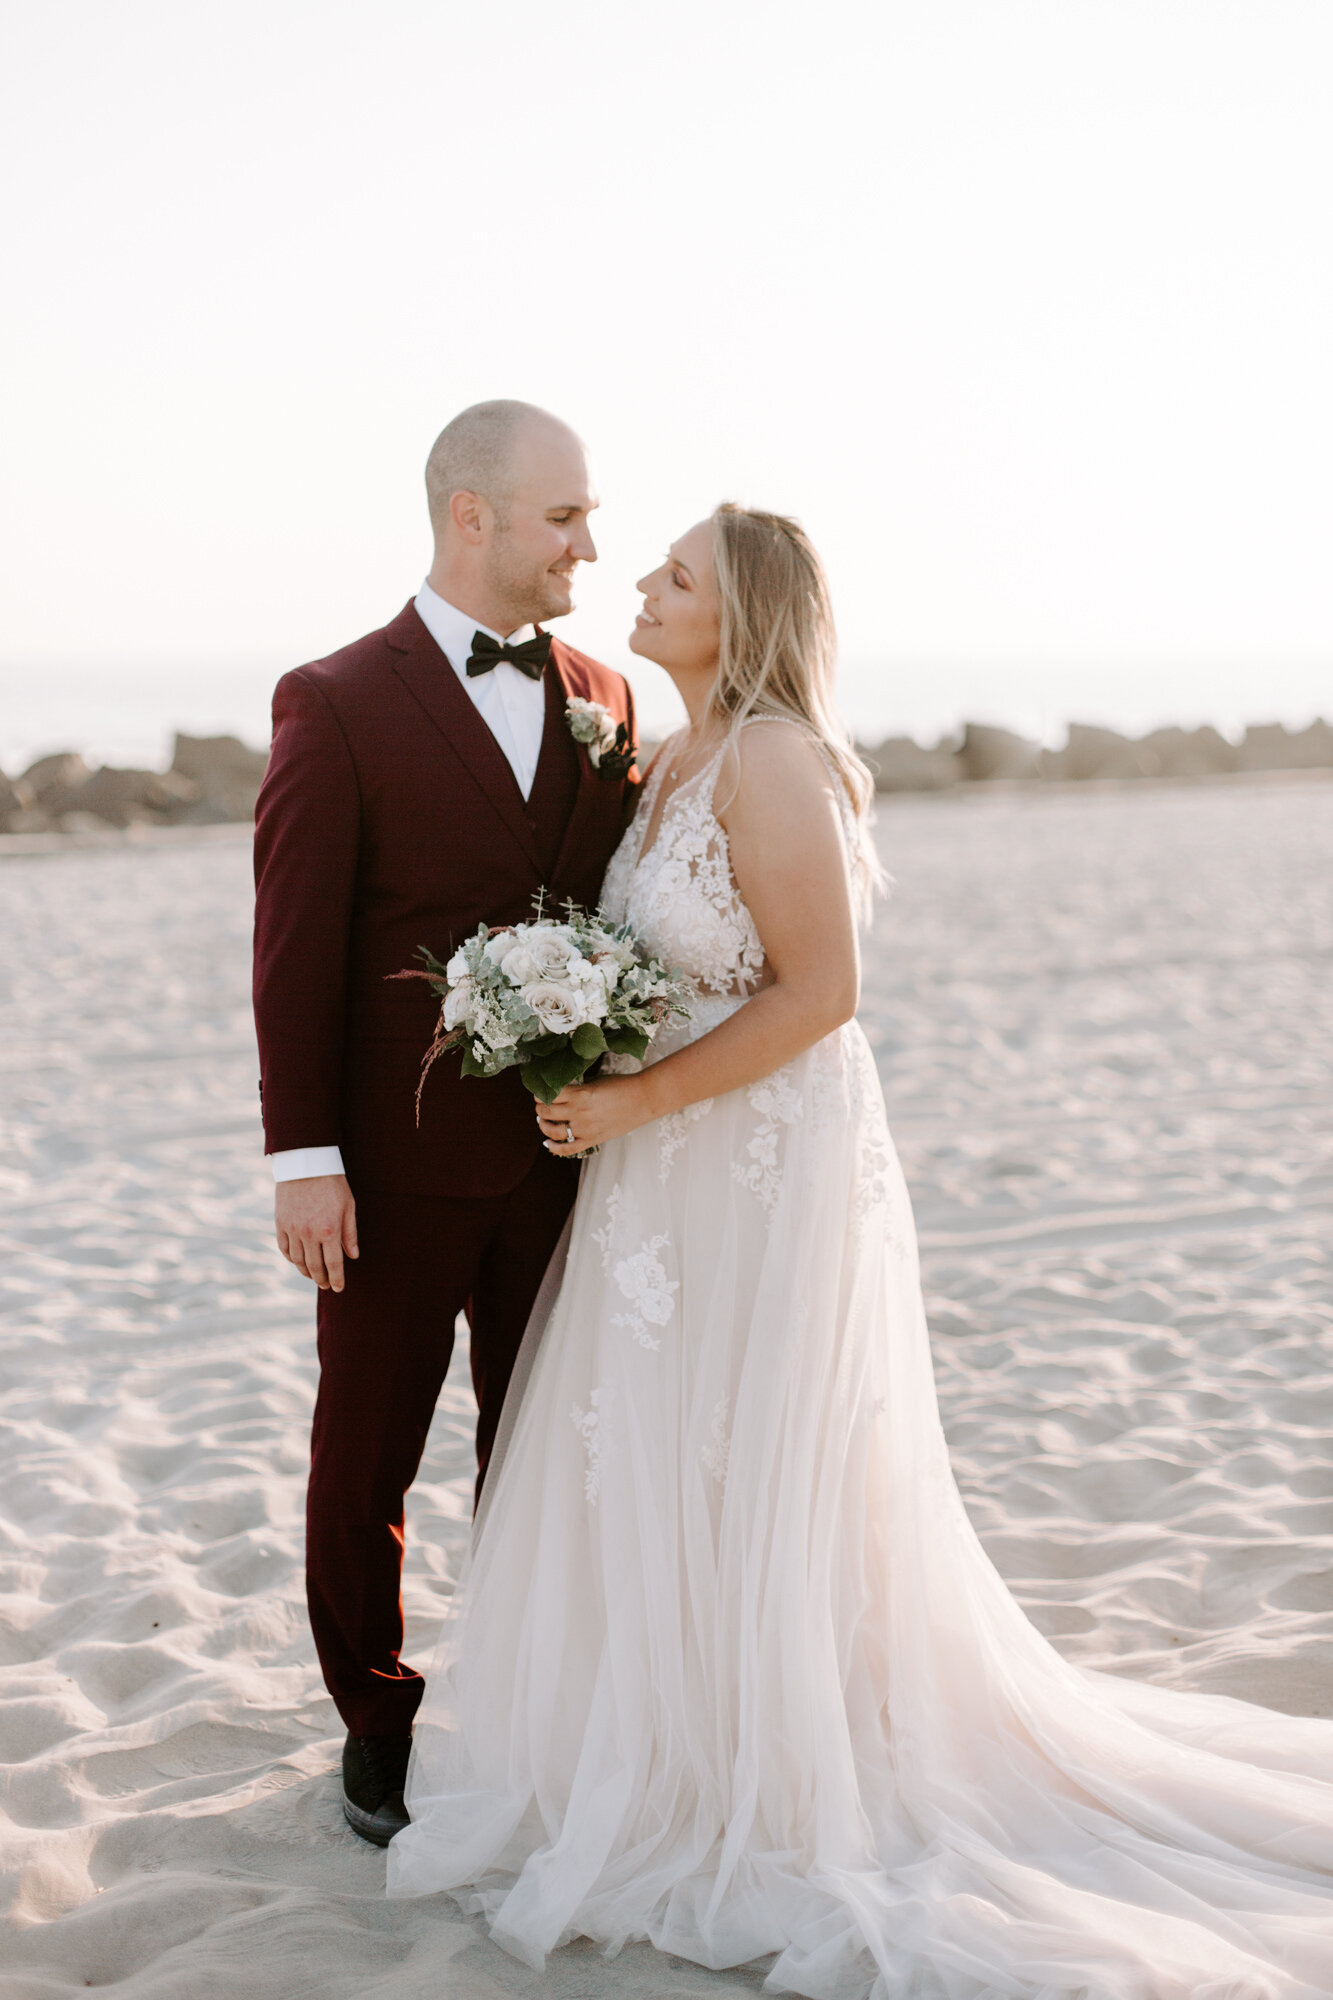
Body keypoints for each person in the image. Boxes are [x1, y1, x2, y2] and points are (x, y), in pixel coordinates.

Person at [387, 503, 1333, 1997]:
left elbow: (821, 991)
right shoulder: (664, 754)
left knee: (751, 1447)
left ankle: (776, 1764)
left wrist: (633, 1091)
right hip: (661, 1163)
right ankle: (675, 1734)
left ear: (742, 613)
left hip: (757, 1151)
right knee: (654, 1443)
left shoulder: (769, 761)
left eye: (676, 573)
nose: (640, 580)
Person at [251, 401, 639, 1846]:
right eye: (562, 518)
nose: (586, 548)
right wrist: (304, 1160)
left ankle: (531, 1706)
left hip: (563, 1159)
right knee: (367, 1458)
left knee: (543, 1444)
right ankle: (377, 1719)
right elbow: (292, 950)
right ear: (469, 515)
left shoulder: (606, 691)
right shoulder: (336, 699)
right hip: (389, 1175)